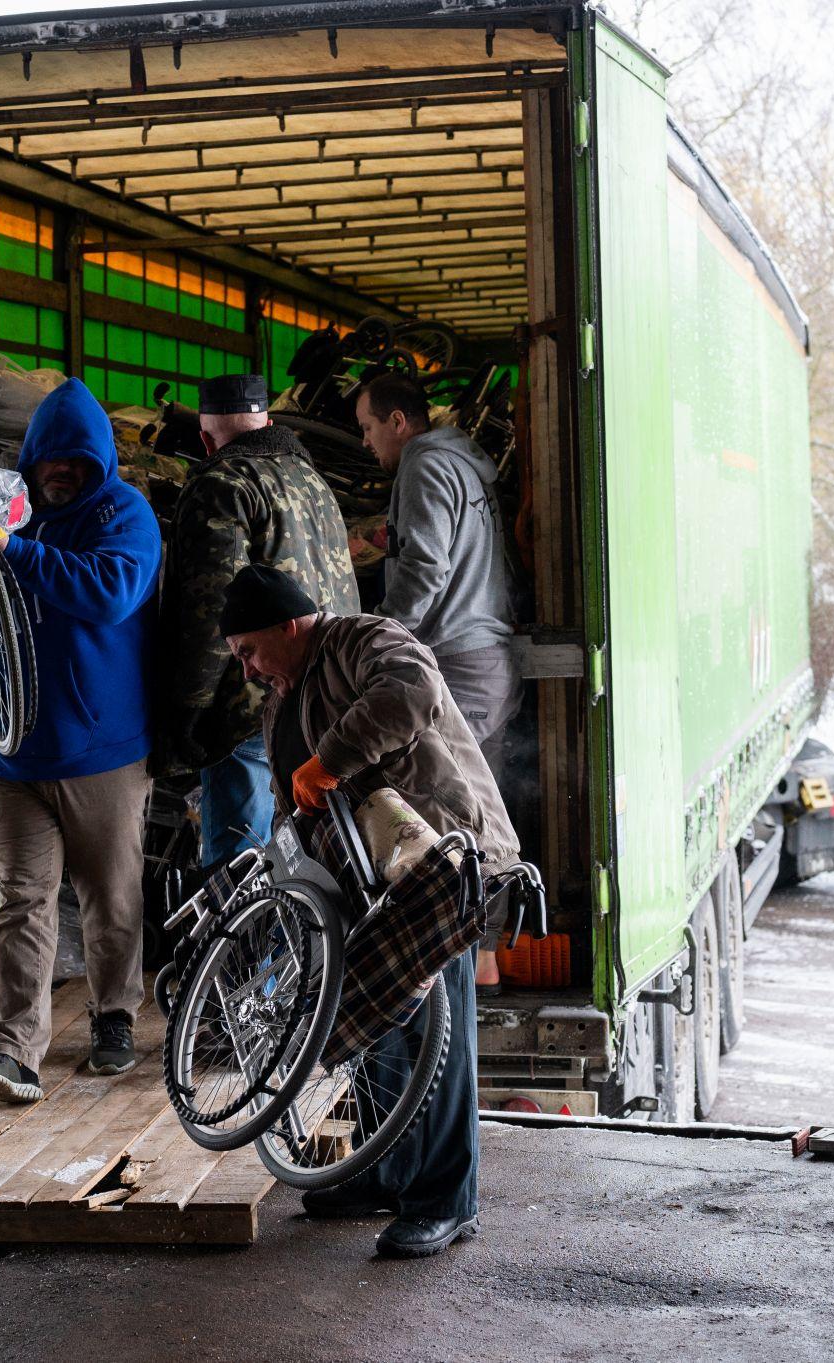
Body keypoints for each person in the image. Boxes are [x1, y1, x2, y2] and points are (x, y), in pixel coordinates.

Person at [220, 564, 519, 1260]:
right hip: (367, 888)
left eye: (249, 652)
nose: (250, 669)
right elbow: (292, 805)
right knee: (376, 1026)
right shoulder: (280, 701)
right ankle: (383, 1172)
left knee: (432, 1039)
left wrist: (330, 759)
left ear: (286, 625)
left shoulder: (366, 641)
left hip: (440, 863)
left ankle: (445, 1200)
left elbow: (410, 691)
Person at [0, 378, 162, 1105]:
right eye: (52, 457)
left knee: (110, 895)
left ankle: (114, 1016)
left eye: (77, 459)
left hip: (102, 754)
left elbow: (109, 590)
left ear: (98, 460)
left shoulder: (126, 515)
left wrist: (15, 553)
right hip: (13, 754)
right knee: (21, 899)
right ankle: (13, 1049)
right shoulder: (7, 515)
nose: (62, 471)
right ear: (33, 456)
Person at [354, 369, 520, 992]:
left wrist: (382, 640)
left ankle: (456, 969)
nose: (368, 443)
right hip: (492, 657)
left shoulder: (423, 464)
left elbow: (426, 564)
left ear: (399, 421)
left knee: (448, 821)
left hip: (458, 660)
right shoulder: (466, 463)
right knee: (486, 817)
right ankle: (481, 961)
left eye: (370, 428)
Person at [156, 372, 358, 869]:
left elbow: (207, 619)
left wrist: (186, 714)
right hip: (330, 696)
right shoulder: (313, 479)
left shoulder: (221, 484)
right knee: (310, 866)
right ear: (267, 421)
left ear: (204, 440)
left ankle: (248, 951)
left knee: (241, 868)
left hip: (251, 708)